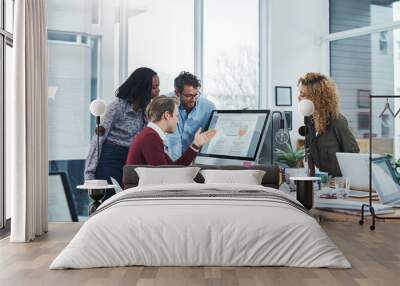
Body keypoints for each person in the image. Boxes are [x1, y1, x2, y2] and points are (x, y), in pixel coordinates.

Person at [84, 67, 160, 198]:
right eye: (154, 87)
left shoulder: (145, 110)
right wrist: (89, 173)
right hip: (112, 157)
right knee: (112, 199)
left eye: (158, 87)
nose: (158, 91)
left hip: (131, 159)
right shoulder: (117, 107)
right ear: (142, 88)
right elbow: (98, 140)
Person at [298, 72, 359, 177]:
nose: (298, 97)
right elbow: (310, 155)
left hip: (341, 184)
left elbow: (354, 156)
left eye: (303, 94)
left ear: (316, 97)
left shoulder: (337, 122)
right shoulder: (309, 120)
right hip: (324, 183)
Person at [126, 95, 216, 165]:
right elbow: (166, 175)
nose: (177, 121)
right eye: (176, 116)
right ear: (167, 115)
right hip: (144, 189)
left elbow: (172, 168)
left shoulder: (150, 134)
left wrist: (195, 145)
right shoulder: (150, 137)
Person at [166, 71, 216, 160]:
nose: (193, 99)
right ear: (177, 93)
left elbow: (212, 139)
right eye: (188, 96)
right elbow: (173, 141)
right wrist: (177, 168)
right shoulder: (167, 103)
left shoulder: (209, 108)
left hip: (196, 158)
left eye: (195, 95)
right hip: (171, 158)